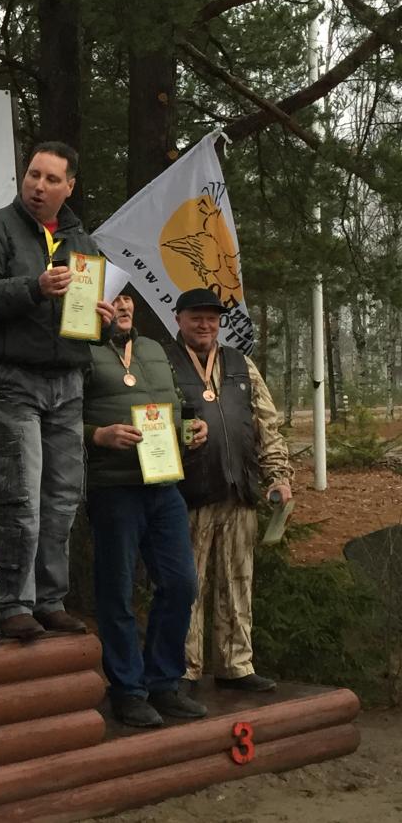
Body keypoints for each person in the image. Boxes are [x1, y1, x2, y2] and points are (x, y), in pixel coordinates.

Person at [0, 141, 114, 640]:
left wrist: (106, 322)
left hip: (68, 381)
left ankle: (50, 600)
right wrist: (34, 286)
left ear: (70, 187)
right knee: (20, 495)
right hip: (14, 380)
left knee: (63, 498)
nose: (38, 187)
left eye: (51, 180)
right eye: (33, 175)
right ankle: (13, 604)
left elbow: (87, 321)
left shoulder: (83, 242)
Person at [83, 290, 209, 727]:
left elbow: (171, 406)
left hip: (163, 483)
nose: (122, 306)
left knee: (181, 584)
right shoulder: (80, 351)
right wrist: (97, 435)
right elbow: (57, 418)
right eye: (112, 298)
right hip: (114, 487)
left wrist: (190, 427)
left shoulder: (154, 348)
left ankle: (163, 682)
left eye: (126, 298)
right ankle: (127, 690)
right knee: (116, 591)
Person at [166, 288, 293, 692]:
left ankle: (236, 665)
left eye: (211, 318)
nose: (205, 325)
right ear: (179, 319)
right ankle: (184, 668)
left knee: (237, 581)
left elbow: (267, 425)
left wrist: (278, 475)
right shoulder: (163, 363)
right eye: (196, 318)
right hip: (188, 494)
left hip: (239, 491)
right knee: (187, 586)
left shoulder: (241, 364)